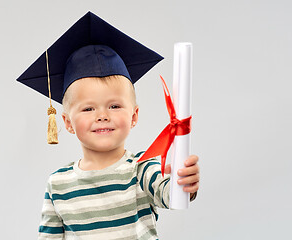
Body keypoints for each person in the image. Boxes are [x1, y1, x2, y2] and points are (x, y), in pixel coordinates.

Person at [17, 12, 199, 239]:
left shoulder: (142, 169)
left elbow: (170, 195)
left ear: (134, 116)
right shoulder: (58, 185)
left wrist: (184, 183)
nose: (102, 115)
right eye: (88, 108)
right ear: (67, 123)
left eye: (114, 106)